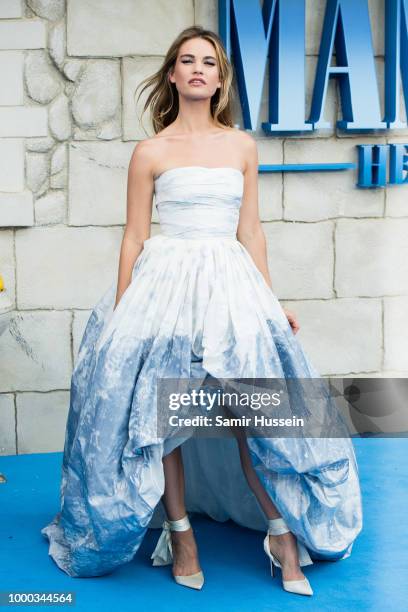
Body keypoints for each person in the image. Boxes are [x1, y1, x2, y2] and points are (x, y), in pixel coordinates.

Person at [41, 26, 363, 597]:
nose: (197, 70)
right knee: (165, 412)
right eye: (186, 61)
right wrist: (121, 315)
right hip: (166, 286)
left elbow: (252, 231)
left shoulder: (241, 146)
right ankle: (181, 530)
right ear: (171, 74)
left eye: (207, 63)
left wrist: (269, 301)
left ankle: (282, 533)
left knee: (252, 408)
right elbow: (134, 237)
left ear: (219, 78)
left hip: (230, 284)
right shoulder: (151, 150)